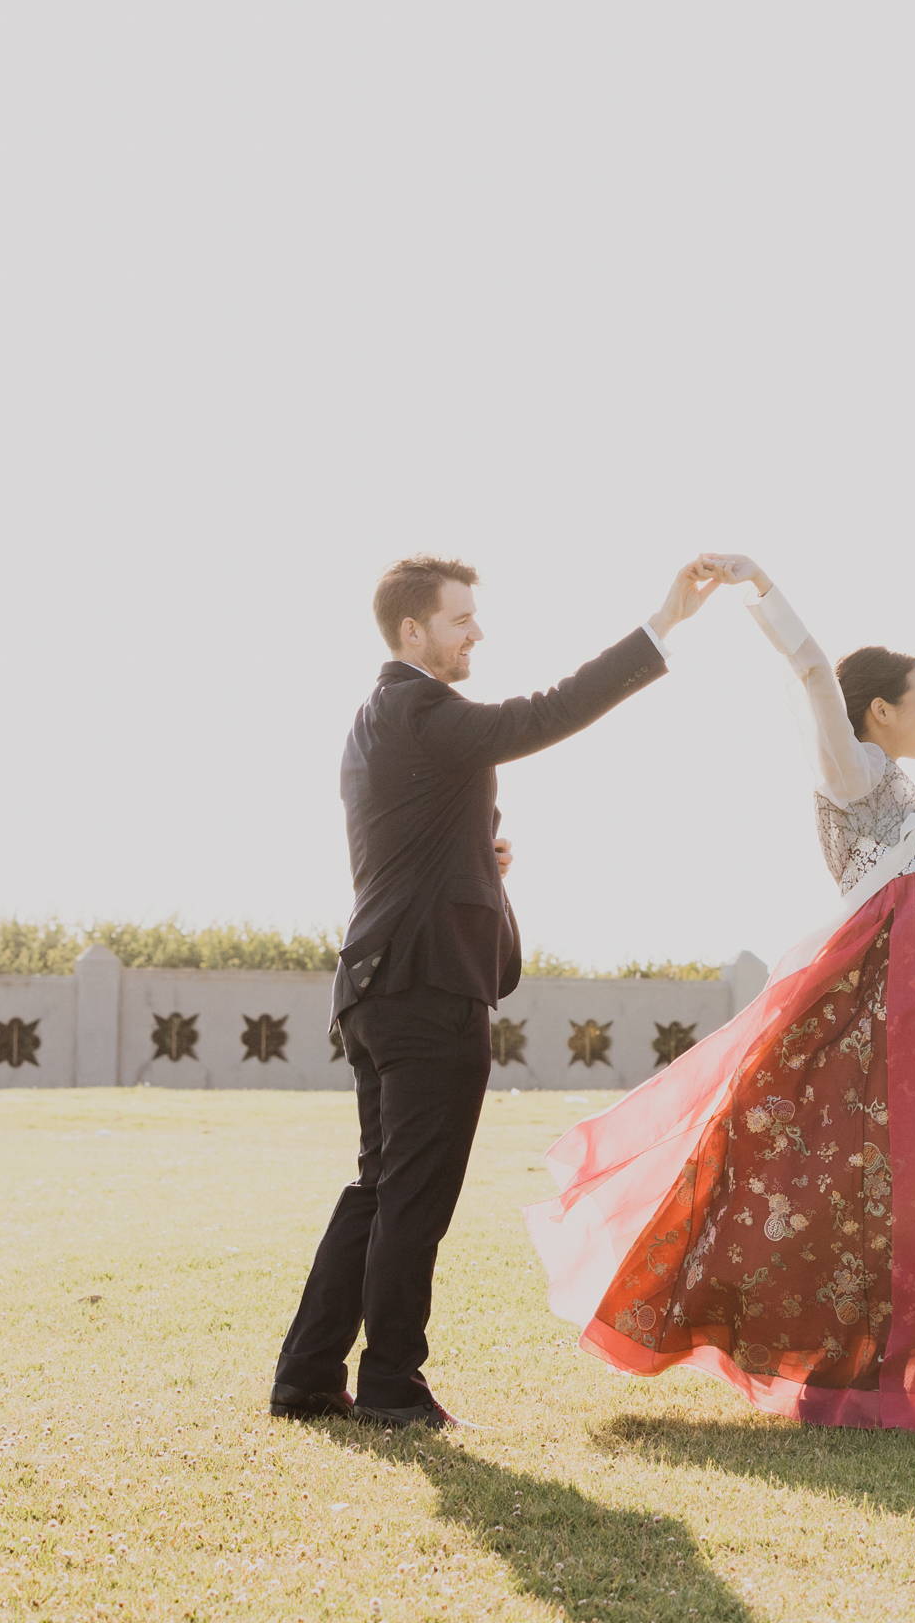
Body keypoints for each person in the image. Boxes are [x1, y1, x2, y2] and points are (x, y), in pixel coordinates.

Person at [523, 555, 915, 1431]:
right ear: (880, 710)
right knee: (822, 1171)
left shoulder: (896, 781)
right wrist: (762, 589)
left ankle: (895, 1369)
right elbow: (810, 670)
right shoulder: (853, 769)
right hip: (875, 1003)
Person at [270, 551, 726, 1428]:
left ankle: (306, 1375)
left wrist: (481, 856)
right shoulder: (422, 706)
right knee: (413, 1196)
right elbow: (544, 714)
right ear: (413, 630)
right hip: (427, 989)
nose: (477, 631)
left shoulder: (375, 720)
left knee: (379, 1186)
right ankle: (394, 1388)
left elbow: (413, 841)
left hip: (376, 986)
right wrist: (662, 624)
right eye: (459, 619)